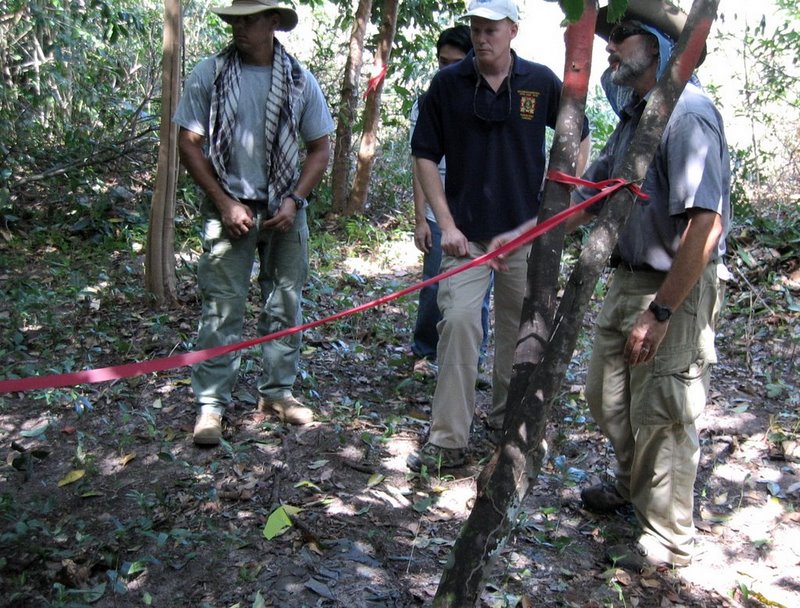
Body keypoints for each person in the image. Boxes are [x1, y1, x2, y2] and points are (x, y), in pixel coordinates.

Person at [565, 2, 731, 571]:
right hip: (627, 279)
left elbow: (705, 227)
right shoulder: (638, 118)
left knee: (662, 412)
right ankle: (633, 487)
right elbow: (594, 191)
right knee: (605, 394)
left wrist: (659, 313)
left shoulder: (689, 115)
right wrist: (526, 227)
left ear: (660, 44)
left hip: (672, 289)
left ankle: (668, 539)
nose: (610, 46)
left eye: (624, 35)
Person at [407, 0, 591, 471]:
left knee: (519, 332)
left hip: (522, 235)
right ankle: (448, 439)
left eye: (492, 29)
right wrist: (444, 223)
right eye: (476, 28)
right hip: (465, 238)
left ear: (513, 30)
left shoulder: (539, 80)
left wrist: (561, 201)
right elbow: (425, 153)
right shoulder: (448, 84)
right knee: (460, 324)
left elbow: (579, 133)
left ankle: (510, 426)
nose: (482, 37)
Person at [173, 0, 334, 446]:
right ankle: (211, 406)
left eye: (249, 19)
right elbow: (189, 143)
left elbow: (321, 148)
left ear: (273, 23)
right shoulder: (211, 73)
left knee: (285, 302)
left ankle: (277, 394)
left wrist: (295, 199)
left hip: (285, 209)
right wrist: (224, 202)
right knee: (221, 305)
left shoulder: (300, 80)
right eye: (234, 20)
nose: (239, 27)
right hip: (230, 207)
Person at [409, 25, 493, 381]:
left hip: (477, 214)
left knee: (479, 292)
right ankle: (426, 351)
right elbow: (420, 160)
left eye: (454, 62)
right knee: (433, 286)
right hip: (437, 211)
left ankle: (473, 359)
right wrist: (420, 219)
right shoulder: (430, 98)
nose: (446, 69)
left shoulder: (485, 95)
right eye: (441, 61)